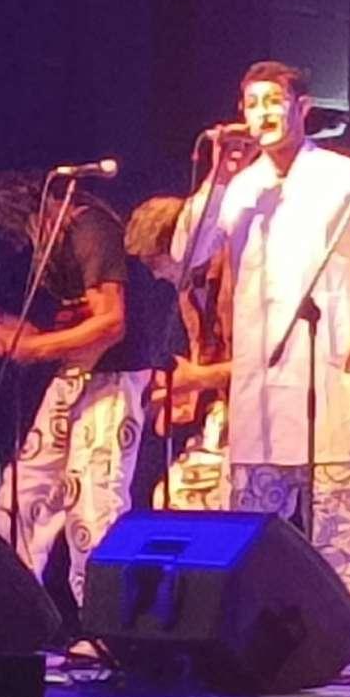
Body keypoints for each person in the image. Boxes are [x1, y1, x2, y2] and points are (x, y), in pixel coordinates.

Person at [171, 60, 350, 599]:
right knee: (251, 535)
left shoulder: (345, 175)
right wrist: (217, 179)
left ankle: (344, 628)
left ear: (302, 108)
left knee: (338, 534)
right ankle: (253, 626)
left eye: (273, 101)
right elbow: (185, 256)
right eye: (252, 104)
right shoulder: (239, 188)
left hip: (329, 365)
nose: (262, 113)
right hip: (260, 380)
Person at [0, 170, 162, 607]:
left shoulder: (89, 227)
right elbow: (66, 326)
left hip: (114, 377)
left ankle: (105, 619)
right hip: (75, 375)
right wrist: (12, 329)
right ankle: (17, 611)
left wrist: (35, 347)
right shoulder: (50, 252)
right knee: (22, 495)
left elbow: (111, 323)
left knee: (92, 500)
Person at [125, 194, 233, 510]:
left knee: (186, 499)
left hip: (263, 417)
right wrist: (184, 398)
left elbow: (263, 364)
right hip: (226, 410)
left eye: (155, 263)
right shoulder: (189, 290)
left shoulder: (237, 276)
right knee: (168, 497)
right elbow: (206, 359)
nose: (155, 276)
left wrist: (197, 379)